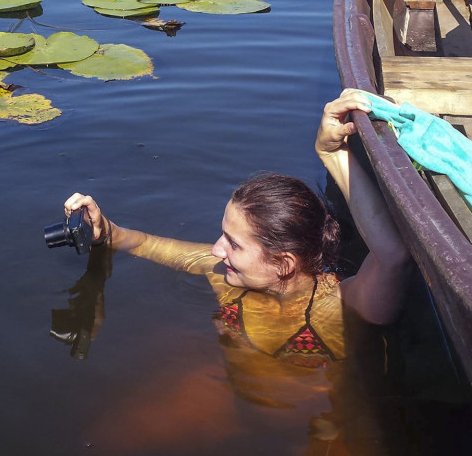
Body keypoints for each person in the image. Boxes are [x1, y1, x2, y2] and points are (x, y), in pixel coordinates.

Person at [63, 90, 411, 369]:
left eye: (233, 243)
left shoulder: (344, 306)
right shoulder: (224, 274)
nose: (216, 250)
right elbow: (141, 243)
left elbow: (393, 257)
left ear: (284, 263)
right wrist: (104, 230)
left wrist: (331, 154)